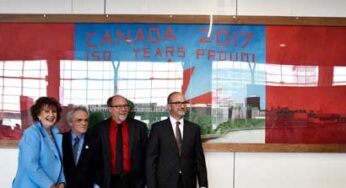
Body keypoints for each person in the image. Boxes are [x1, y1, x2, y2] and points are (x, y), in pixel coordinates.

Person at [146, 91, 208, 188]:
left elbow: (199, 159)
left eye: (184, 103)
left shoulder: (194, 129)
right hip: (164, 183)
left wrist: (203, 184)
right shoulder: (158, 128)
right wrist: (151, 185)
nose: (182, 106)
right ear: (169, 106)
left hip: (188, 182)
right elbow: (151, 160)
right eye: (177, 103)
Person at [93, 95, 148, 188]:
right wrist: (98, 182)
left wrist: (145, 181)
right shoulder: (99, 129)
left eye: (125, 106)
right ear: (110, 109)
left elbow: (146, 155)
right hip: (108, 181)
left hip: (134, 182)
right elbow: (95, 158)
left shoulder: (139, 127)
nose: (123, 109)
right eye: (119, 106)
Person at [12, 97, 66, 188]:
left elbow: (61, 162)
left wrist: (62, 182)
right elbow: (31, 165)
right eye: (47, 111)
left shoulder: (57, 135)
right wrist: (50, 186)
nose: (51, 114)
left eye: (54, 111)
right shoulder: (32, 134)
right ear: (38, 115)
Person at [62, 106, 103, 188]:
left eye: (86, 120)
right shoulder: (61, 140)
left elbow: (99, 168)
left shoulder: (94, 142)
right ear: (70, 122)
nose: (83, 123)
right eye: (79, 120)